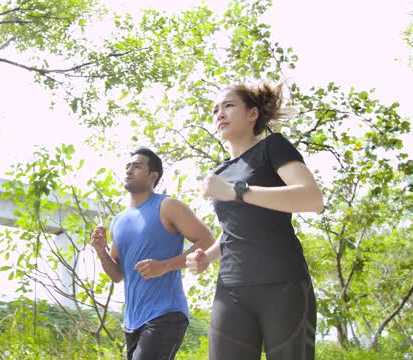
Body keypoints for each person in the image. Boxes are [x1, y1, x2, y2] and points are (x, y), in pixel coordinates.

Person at [186, 81, 324, 360]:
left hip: (282, 283)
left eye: (228, 105)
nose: (219, 114)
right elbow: (234, 230)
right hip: (232, 287)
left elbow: (312, 199)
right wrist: (208, 257)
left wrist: (238, 191)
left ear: (252, 114)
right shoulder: (221, 171)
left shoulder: (273, 147)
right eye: (215, 110)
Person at [91, 147, 215, 360]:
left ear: (153, 175)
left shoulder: (167, 206)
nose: (129, 170)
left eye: (137, 166)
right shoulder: (118, 221)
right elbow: (117, 275)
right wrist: (101, 251)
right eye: (128, 166)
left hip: (166, 314)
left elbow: (208, 241)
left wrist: (164, 266)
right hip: (132, 321)